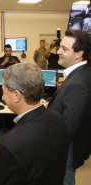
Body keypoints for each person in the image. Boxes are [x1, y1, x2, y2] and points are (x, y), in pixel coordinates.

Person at [0, 63, 69, 185]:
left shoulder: (8, 146)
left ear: (16, 95)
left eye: (4, 91)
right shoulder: (58, 119)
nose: (3, 96)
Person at [47, 29, 91, 185]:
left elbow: (68, 128)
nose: (58, 51)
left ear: (79, 53)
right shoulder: (81, 74)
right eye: (59, 47)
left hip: (67, 147)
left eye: (64, 49)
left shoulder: (78, 82)